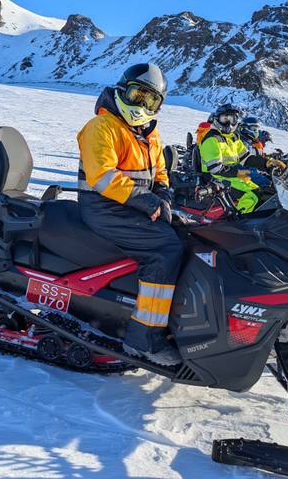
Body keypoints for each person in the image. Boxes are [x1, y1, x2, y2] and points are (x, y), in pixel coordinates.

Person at [77, 63, 183, 366]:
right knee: (165, 250)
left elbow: (160, 172)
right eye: (138, 95)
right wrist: (147, 201)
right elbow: (103, 176)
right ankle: (145, 338)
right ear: (123, 89)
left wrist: (163, 193)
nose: (141, 105)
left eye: (151, 101)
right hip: (103, 206)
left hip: (130, 204)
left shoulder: (149, 134)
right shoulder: (102, 126)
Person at [199, 104, 285, 213]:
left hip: (232, 174)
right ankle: (237, 221)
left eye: (232, 119)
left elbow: (246, 158)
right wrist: (241, 172)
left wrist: (268, 163)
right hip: (215, 177)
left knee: (265, 189)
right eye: (225, 119)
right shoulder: (212, 139)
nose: (229, 123)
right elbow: (216, 169)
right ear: (217, 119)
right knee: (253, 195)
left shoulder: (233, 138)